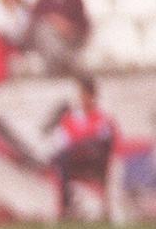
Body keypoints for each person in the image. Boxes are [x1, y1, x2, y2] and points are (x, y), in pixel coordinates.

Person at [47, 75, 117, 220]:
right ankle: (67, 207)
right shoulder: (70, 119)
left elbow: (105, 142)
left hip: (94, 162)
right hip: (71, 161)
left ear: (93, 96)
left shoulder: (103, 119)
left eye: (86, 94)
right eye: (81, 94)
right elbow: (61, 141)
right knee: (60, 160)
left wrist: (83, 142)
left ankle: (95, 209)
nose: (82, 98)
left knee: (71, 154)